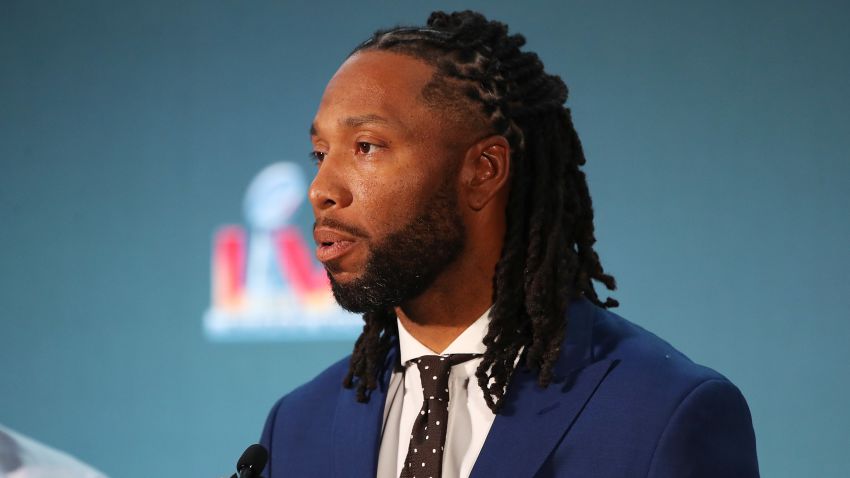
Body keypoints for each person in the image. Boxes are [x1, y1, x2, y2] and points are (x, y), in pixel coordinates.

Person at [260, 10, 759, 478]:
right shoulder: (295, 428)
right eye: (320, 153)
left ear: (484, 171)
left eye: (366, 146)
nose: (321, 189)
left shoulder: (664, 413)